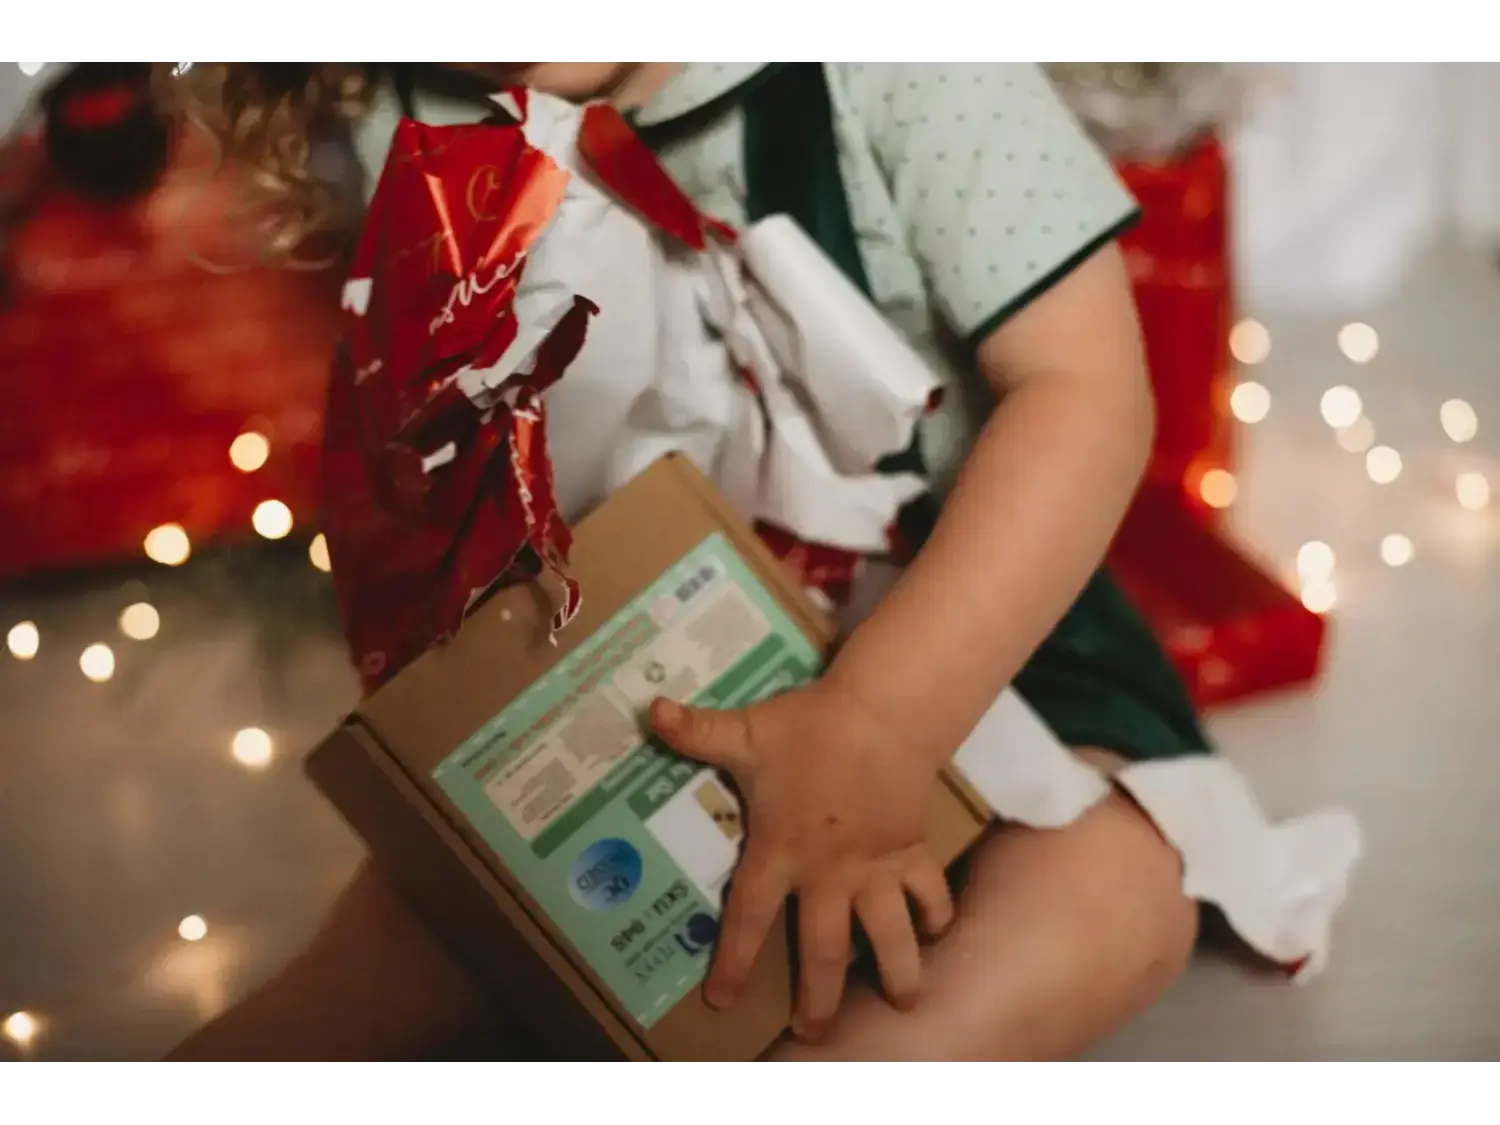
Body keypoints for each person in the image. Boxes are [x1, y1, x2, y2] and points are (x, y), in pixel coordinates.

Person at [161, 56, 1212, 1064]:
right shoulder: (408, 111)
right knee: (409, 933)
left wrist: (884, 720)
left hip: (970, 636)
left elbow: (1082, 393)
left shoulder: (912, 71)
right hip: (639, 656)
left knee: (1117, 889)